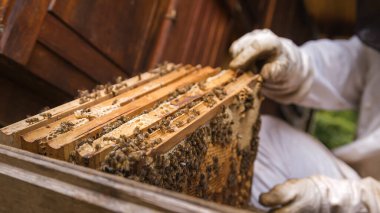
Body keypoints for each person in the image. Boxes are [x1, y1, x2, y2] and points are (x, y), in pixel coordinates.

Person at [229, 2, 380, 212]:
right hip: (355, 179)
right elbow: (344, 65)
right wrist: (290, 62)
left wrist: (337, 199)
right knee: (258, 138)